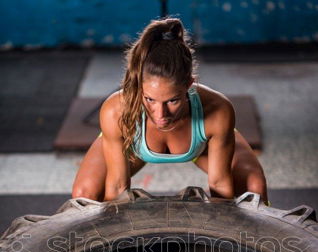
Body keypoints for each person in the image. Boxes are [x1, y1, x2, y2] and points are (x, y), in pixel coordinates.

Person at [72, 18, 268, 204]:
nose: (160, 115)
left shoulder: (218, 111)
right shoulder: (115, 111)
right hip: (133, 145)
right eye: (150, 99)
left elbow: (220, 185)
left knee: (254, 187)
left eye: (172, 100)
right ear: (139, 86)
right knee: (85, 194)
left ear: (189, 85)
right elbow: (117, 187)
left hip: (203, 146)